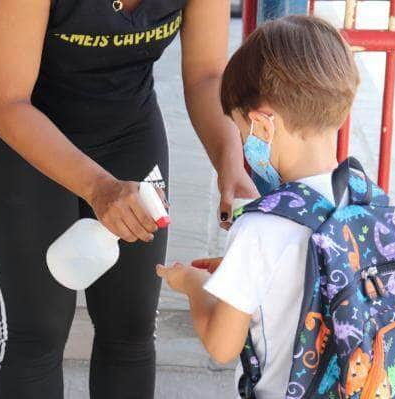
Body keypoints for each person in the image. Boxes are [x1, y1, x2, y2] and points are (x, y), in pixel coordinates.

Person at [0, 1, 259, 398]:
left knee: (130, 325)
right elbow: (7, 103)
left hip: (126, 125)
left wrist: (229, 160)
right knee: (36, 330)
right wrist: (99, 188)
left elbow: (206, 75)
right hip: (16, 131)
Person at [157, 15, 360, 398]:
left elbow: (222, 344)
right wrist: (238, 273)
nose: (245, 142)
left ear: (264, 125)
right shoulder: (364, 199)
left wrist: (196, 287)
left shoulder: (261, 228)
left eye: (242, 129)